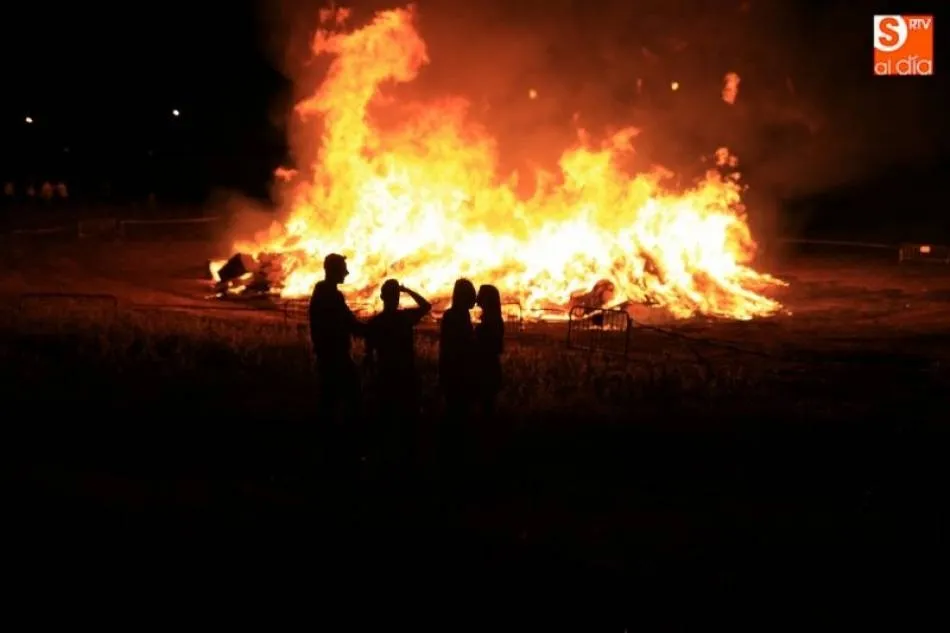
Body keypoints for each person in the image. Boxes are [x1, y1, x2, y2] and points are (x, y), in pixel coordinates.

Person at [364, 279, 431, 470]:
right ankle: (406, 461)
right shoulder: (404, 318)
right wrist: (407, 289)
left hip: (386, 375)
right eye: (396, 295)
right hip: (405, 375)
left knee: (387, 419)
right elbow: (426, 306)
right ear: (396, 297)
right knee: (407, 420)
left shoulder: (376, 322)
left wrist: (371, 377)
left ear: (382, 297)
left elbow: (369, 355)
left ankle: (387, 461)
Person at [308, 253, 367, 429]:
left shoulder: (324, 292)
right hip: (334, 355)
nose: (346, 273)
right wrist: (372, 330)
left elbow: (347, 321)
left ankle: (331, 435)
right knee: (350, 394)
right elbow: (348, 322)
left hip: (329, 354)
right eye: (343, 269)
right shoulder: (330, 295)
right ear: (334, 271)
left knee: (330, 397)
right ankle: (345, 437)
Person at [438, 278, 477, 466]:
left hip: (454, 371)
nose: (475, 299)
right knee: (457, 413)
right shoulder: (457, 316)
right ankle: (455, 456)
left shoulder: (456, 315)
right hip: (457, 372)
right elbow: (455, 347)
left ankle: (452, 454)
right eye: (472, 294)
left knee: (456, 412)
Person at [474, 284, 505, 417]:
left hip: (487, 369)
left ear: (487, 298)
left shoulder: (492, 322)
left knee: (486, 408)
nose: (477, 297)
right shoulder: (493, 319)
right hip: (489, 368)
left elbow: (493, 346)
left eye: (480, 293)